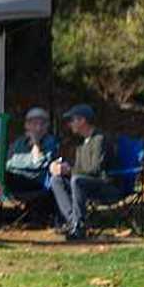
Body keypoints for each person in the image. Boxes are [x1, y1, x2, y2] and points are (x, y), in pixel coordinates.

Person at [49, 103, 116, 241]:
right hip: (83, 184)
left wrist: (70, 170)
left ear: (82, 120)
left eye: (72, 120)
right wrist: (63, 168)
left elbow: (96, 169)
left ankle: (79, 226)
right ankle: (73, 221)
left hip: (104, 186)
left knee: (76, 180)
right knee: (56, 180)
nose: (70, 124)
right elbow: (79, 168)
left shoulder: (99, 139)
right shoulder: (81, 143)